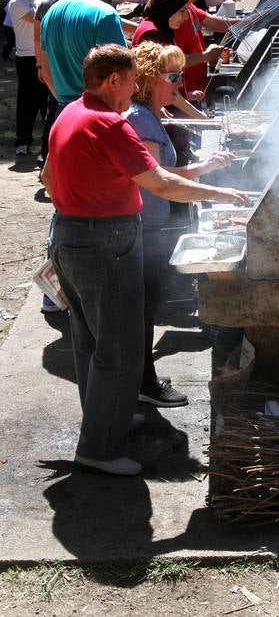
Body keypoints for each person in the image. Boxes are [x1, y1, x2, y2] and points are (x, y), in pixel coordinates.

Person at [42, 44, 249, 477]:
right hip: (104, 243)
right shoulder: (110, 124)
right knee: (119, 348)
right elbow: (163, 185)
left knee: (90, 341)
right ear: (113, 80)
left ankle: (107, 417)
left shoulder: (69, 113)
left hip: (68, 234)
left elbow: (46, 177)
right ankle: (99, 448)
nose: (135, 87)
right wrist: (221, 193)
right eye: (132, 80)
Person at [125, 41, 235, 407]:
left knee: (145, 306)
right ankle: (144, 384)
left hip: (148, 222)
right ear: (149, 80)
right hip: (143, 226)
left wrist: (175, 101)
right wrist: (207, 178)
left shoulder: (149, 113)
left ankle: (142, 376)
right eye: (171, 76)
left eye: (179, 75)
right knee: (142, 309)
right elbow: (161, 177)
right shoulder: (141, 119)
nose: (178, 82)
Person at [40, 0, 128, 108]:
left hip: (63, 112)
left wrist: (69, 106)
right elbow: (123, 73)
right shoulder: (105, 14)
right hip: (97, 113)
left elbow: (45, 72)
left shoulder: (50, 13)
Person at [164, 0, 239, 102]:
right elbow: (171, 62)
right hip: (182, 97)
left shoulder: (190, 8)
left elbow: (218, 23)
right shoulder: (173, 18)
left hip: (194, 94)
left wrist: (252, 20)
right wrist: (206, 56)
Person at [34, 0, 79, 164]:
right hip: (77, 65)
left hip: (53, 66)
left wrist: (40, 64)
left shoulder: (46, 4)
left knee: (53, 110)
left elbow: (37, 37)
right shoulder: (82, 3)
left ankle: (46, 157)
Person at [8, 0, 48, 156]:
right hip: (26, 58)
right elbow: (38, 19)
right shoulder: (16, 2)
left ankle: (46, 144)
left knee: (44, 100)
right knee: (27, 101)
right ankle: (22, 141)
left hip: (40, 55)